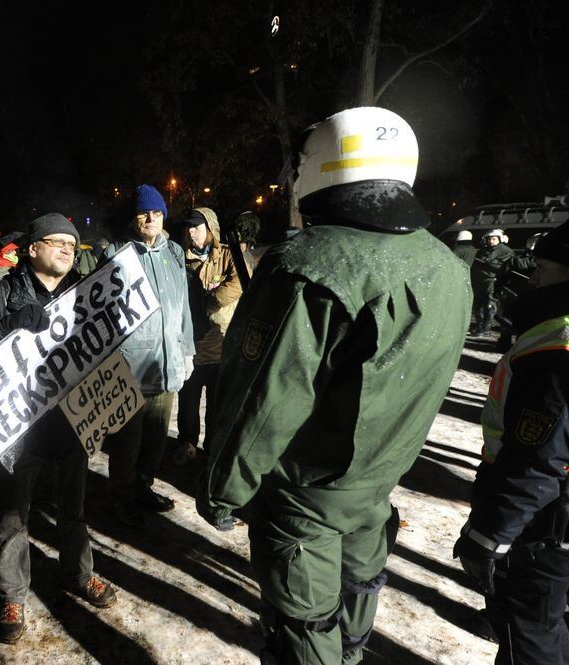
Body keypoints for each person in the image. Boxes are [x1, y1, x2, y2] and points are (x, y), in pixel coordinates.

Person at [198, 107, 471, 664]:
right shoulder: (446, 265)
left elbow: (261, 400)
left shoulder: (309, 266)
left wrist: (221, 490)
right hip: (373, 492)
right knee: (352, 614)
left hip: (305, 501)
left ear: (321, 166)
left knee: (305, 628)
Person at [0, 213, 116, 644]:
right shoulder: (3, 292)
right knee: (14, 515)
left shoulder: (83, 293)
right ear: (32, 249)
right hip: (18, 427)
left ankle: (79, 574)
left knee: (74, 509)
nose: (67, 248)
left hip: (70, 421)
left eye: (72, 243)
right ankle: (12, 594)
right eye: (57, 241)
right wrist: (9, 324)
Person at [453, 216, 569, 665]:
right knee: (542, 622)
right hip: (564, 516)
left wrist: (489, 534)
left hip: (546, 523)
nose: (535, 278)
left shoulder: (561, 345)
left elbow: (539, 457)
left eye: (544, 270)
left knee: (528, 625)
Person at [101, 184, 195, 527]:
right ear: (134, 218)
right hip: (132, 365)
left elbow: (183, 306)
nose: (151, 218)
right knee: (127, 441)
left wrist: (187, 350)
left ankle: (144, 487)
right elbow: (102, 312)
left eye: (156, 212)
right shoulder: (117, 253)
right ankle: (121, 495)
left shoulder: (174, 253)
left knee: (155, 439)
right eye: (144, 212)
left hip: (167, 363)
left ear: (164, 216)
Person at [173, 207, 241, 465]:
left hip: (221, 343)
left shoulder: (227, 255)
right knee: (188, 400)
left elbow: (239, 284)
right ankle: (187, 443)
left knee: (216, 402)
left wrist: (208, 303)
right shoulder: (180, 257)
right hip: (192, 344)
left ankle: (212, 448)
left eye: (197, 227)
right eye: (189, 227)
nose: (192, 232)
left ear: (210, 228)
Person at [470, 228, 515, 337]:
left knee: (489, 305)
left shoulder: (506, 251)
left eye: (494, 239)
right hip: (480, 280)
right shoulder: (483, 250)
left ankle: (486, 328)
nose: (491, 241)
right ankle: (479, 325)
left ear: (500, 239)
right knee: (478, 304)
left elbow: (502, 267)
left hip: (493, 281)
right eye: (489, 239)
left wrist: (486, 264)